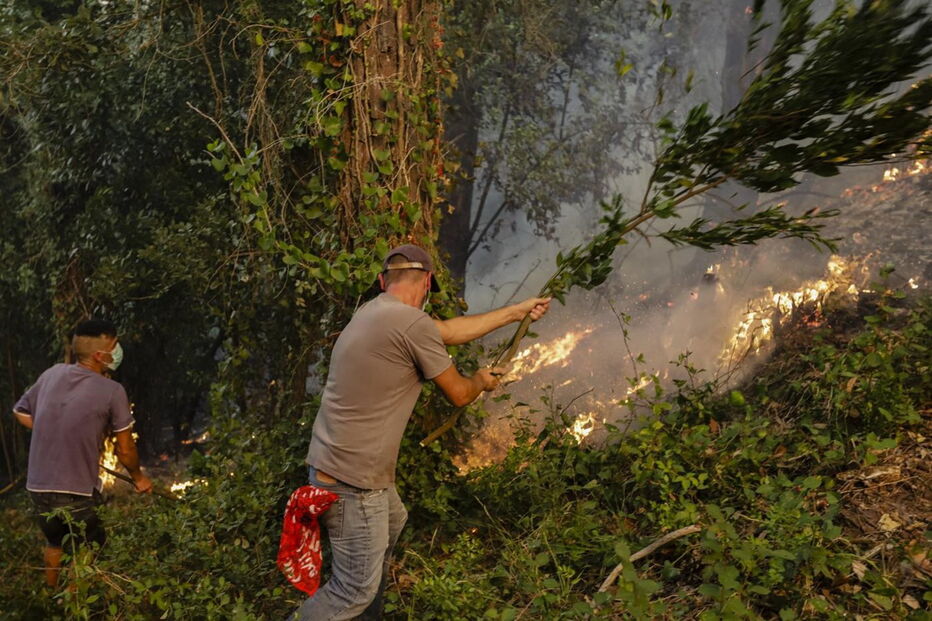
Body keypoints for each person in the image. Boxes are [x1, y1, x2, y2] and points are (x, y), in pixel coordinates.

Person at [294, 244, 550, 620]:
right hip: (354, 482)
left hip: (334, 468)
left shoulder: (376, 313)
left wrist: (517, 311)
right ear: (428, 282)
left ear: (383, 281)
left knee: (393, 521)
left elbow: (446, 331)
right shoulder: (409, 324)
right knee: (352, 591)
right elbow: (460, 394)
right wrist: (480, 380)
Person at [12, 319, 152, 588]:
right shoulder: (113, 391)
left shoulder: (51, 374)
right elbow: (125, 449)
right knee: (90, 550)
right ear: (101, 356)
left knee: (55, 542)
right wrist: (139, 477)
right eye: (114, 345)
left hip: (37, 488)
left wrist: (52, 431)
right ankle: (78, 609)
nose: (118, 349)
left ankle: (51, 600)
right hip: (75, 491)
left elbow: (20, 411)